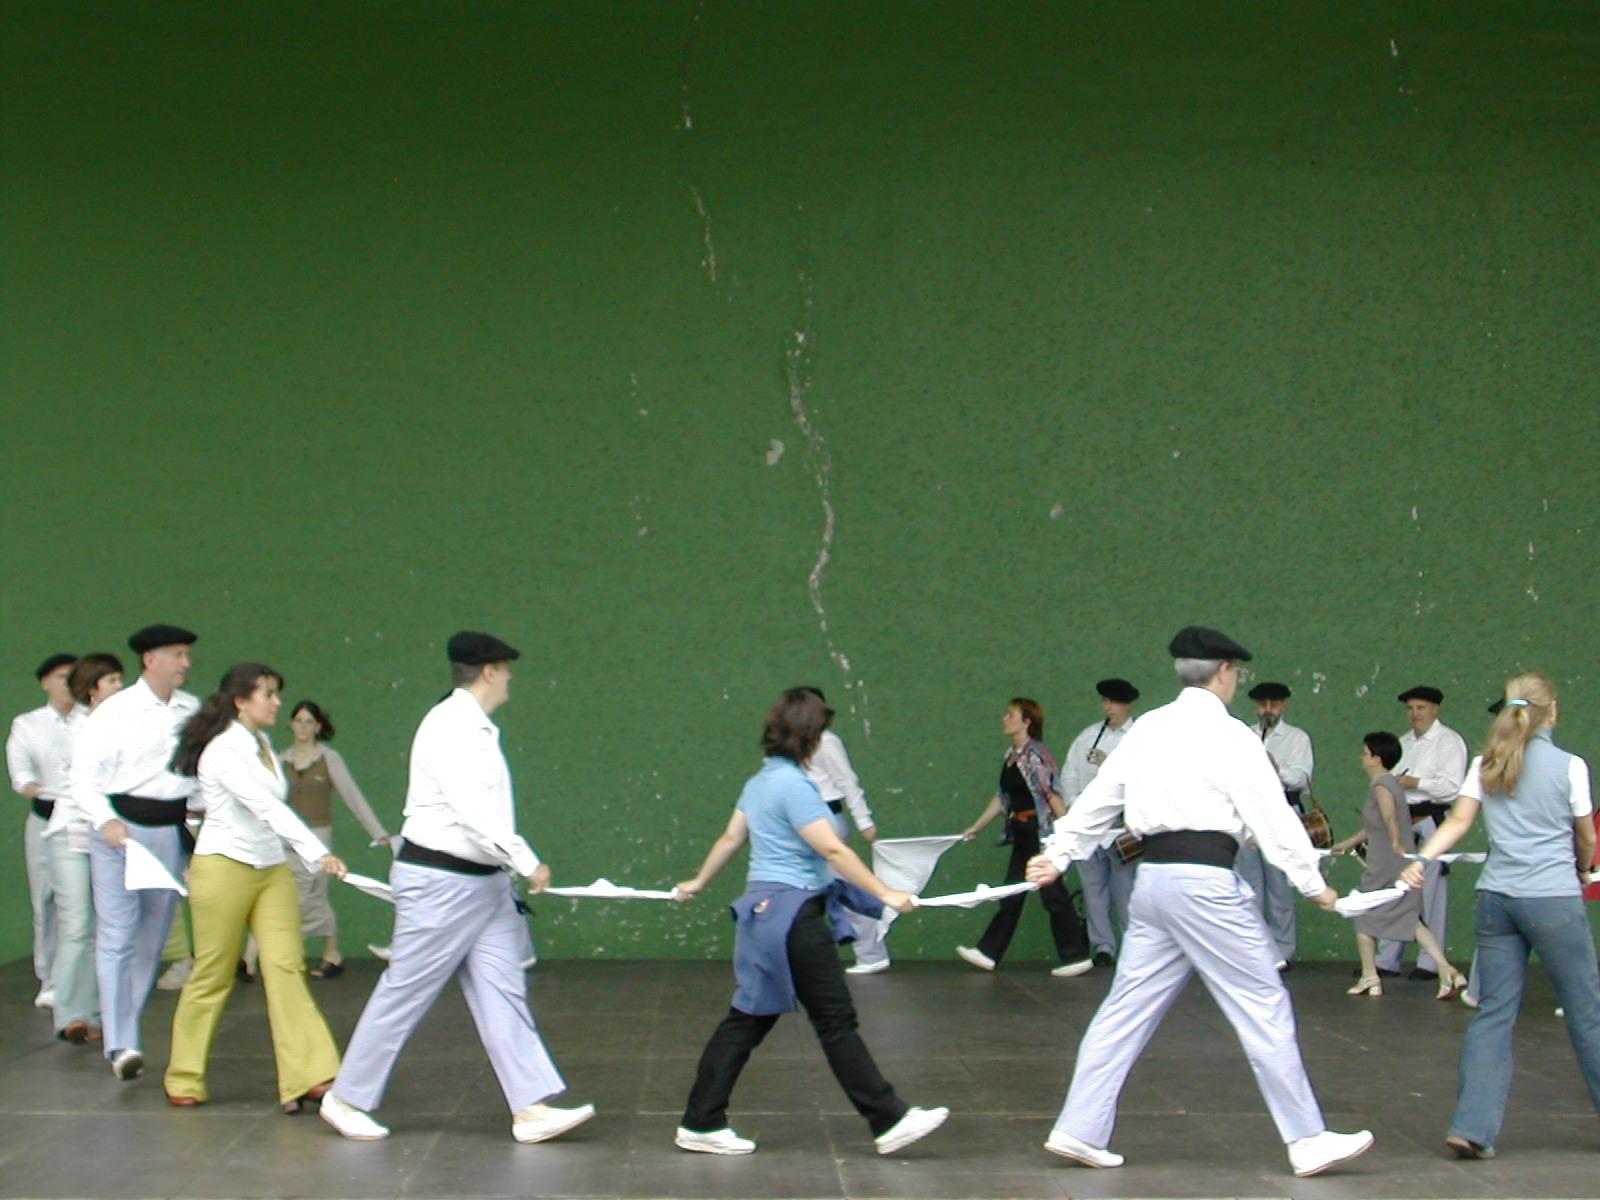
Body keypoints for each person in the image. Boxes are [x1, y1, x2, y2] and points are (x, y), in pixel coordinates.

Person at [1026, 626, 1373, 1178]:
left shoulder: (1147, 729)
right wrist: (1315, 885)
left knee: (1124, 1010)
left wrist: (1058, 853)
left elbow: (1097, 800)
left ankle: (1080, 1128)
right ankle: (1307, 1139)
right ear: (1225, 672)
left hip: (1154, 884)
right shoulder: (1232, 736)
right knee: (1262, 1003)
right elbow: (1273, 817)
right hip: (1206, 885)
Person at [320, 632, 593, 1144]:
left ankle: (530, 1107)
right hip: (440, 884)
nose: (511, 678)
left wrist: (509, 867)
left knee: (503, 989)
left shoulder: (479, 727)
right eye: (506, 669)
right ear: (489, 671)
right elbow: (472, 810)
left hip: (486, 885)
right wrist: (526, 860)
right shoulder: (449, 725)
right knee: (407, 989)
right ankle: (347, 1097)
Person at [672, 687, 948, 1157]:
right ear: (810, 737)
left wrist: (698, 881)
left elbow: (731, 838)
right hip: (793, 916)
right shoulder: (795, 787)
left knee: (748, 1018)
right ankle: (888, 1119)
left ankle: (701, 1120)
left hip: (760, 915)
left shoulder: (759, 782)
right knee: (833, 1019)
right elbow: (833, 848)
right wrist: (886, 893)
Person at [1400, 671, 1600, 1159]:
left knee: (1493, 1014)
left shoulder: (1485, 763)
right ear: (1552, 712)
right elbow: (1586, 837)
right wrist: (1585, 867)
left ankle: (1471, 1127)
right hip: (1553, 899)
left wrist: (1422, 859)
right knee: (1586, 1012)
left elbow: (1458, 821)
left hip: (1497, 899)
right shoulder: (1571, 766)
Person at [164, 664, 347, 1112]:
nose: (277, 702)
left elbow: (272, 806)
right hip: (223, 866)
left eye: (277, 693)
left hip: (271, 868)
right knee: (214, 972)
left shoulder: (263, 743)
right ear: (241, 701)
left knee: (286, 966)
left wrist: (303, 851)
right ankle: (184, 1075)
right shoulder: (222, 750)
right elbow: (264, 805)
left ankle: (310, 1074)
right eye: (268, 694)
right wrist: (315, 850)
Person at [70, 624, 200, 1080]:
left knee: (151, 939)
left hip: (168, 831)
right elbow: (83, 778)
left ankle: (121, 1026)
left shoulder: (192, 710)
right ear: (150, 660)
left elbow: (199, 776)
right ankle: (121, 1043)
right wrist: (105, 820)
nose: (185, 663)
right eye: (177, 654)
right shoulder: (115, 711)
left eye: (186, 655)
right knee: (117, 934)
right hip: (120, 832)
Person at [245, 701, 389, 981]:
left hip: (318, 841)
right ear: (291, 724)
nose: (303, 727)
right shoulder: (280, 760)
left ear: (318, 727)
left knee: (302, 898)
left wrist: (377, 832)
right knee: (300, 896)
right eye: (298, 721)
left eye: (309, 722)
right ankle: (330, 954)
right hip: (284, 839)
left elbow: (352, 796)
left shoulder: (329, 759)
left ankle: (252, 955)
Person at [956, 698, 1092, 976]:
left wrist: (1066, 832)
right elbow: (1002, 798)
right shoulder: (1011, 756)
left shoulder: (1036, 756)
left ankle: (1075, 956)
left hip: (1038, 834)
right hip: (1020, 832)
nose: (1005, 719)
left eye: (1011, 715)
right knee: (1012, 892)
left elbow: (1051, 795)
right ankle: (988, 952)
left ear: (1026, 722)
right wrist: (976, 826)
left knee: (1052, 894)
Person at [1331, 732, 1465, 999]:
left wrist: (1395, 843)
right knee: (1409, 918)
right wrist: (1349, 843)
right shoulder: (1391, 783)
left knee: (1363, 914)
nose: (1361, 757)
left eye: (1365, 753)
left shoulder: (1381, 786)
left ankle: (1370, 977)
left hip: (1386, 861)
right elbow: (1377, 824)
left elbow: (1390, 816)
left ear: (1377, 759)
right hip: (1394, 859)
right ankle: (1447, 970)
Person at [40, 654, 124, 1044]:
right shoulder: (76, 728)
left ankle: (95, 1013)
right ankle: (71, 1014)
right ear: (92, 689)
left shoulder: (122, 726)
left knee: (104, 928)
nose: (119, 687)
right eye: (112, 681)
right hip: (70, 833)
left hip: (106, 836)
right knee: (76, 926)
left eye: (120, 680)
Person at [1378, 686, 1467, 979]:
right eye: (1411, 708)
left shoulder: (1449, 741)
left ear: (1435, 709)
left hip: (1431, 819)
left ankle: (1430, 962)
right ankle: (1387, 959)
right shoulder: (1403, 742)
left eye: (1421, 708)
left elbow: (1452, 787)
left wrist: (1414, 783)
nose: (1415, 714)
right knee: (1395, 889)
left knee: (1430, 893)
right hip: (1402, 820)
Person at [7, 652, 78, 1012]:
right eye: (62, 677)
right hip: (45, 821)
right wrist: (52, 796)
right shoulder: (28, 724)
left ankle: (83, 980)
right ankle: (50, 980)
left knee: (86, 905)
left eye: (75, 677)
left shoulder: (95, 721)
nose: (69, 684)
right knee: (46, 902)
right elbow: (22, 777)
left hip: (87, 822)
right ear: (45, 682)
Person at [798, 686, 886, 974]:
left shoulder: (827, 742)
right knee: (796, 888)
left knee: (844, 889)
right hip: (802, 824)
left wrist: (865, 821)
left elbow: (848, 781)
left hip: (826, 821)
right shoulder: (793, 744)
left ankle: (872, 954)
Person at [1234, 681, 1315, 970]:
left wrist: (1274, 768)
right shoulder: (1244, 736)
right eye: (1263, 704)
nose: (1268, 709)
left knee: (1280, 887)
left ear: (1283, 706)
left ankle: (1282, 951)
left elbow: (1302, 779)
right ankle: (1253, 950)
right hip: (1248, 814)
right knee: (1248, 887)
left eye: (1274, 704)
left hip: (1282, 812)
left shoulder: (1297, 738)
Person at [1060, 679, 1140, 966]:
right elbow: (1069, 773)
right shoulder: (1088, 736)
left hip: (1121, 827)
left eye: (1113, 702)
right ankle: (1103, 947)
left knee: (1125, 890)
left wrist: (1108, 763)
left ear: (1126, 705)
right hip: (1090, 828)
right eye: (1105, 701)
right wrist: (1074, 806)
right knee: (1093, 890)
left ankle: (1133, 948)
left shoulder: (1138, 738)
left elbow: (1143, 779)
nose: (1108, 707)